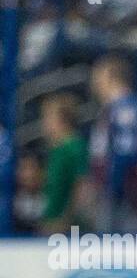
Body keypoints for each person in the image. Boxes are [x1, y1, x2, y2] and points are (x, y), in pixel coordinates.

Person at [87, 53, 137, 229]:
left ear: (112, 77)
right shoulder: (115, 108)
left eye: (99, 77)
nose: (95, 83)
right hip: (116, 189)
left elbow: (126, 150)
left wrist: (113, 188)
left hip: (119, 192)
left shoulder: (124, 108)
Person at [38, 91, 90, 233]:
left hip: (65, 228)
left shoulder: (75, 147)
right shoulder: (57, 150)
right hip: (51, 222)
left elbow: (81, 187)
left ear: (62, 119)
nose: (44, 123)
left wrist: (66, 222)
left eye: (47, 117)